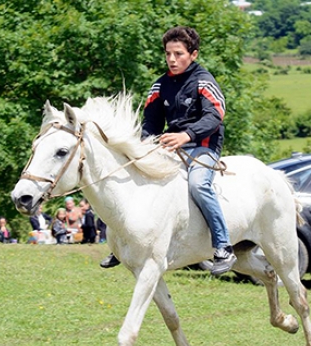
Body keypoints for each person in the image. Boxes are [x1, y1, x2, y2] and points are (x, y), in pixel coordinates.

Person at [100, 26, 237, 276]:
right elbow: (151, 123)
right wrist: (142, 149)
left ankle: (223, 246)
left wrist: (187, 135)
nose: (172, 59)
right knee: (131, 177)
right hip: (171, 146)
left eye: (178, 54)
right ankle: (120, 244)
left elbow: (215, 115)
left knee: (198, 184)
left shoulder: (204, 81)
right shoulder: (159, 85)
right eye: (168, 54)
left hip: (203, 145)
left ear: (193, 54)